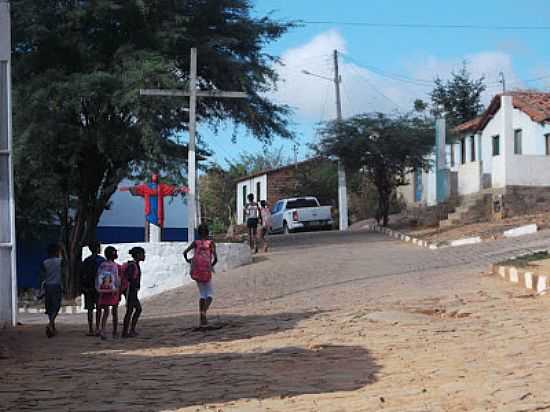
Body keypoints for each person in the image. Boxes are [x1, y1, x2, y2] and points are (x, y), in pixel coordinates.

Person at [183, 224, 218, 327]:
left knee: (202, 293)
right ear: (207, 232)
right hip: (206, 270)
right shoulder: (210, 243)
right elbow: (215, 258)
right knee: (210, 294)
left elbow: (185, 252)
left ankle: (202, 318)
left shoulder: (196, 243)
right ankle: (203, 313)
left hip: (196, 269)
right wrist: (211, 266)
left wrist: (189, 261)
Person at [80, 241, 105, 336]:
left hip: (88, 288)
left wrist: (83, 287)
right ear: (97, 248)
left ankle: (90, 329)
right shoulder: (102, 260)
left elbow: (81, 274)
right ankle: (97, 328)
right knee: (99, 308)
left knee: (90, 309)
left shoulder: (86, 260)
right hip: (99, 287)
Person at [96, 246, 120, 340]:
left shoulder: (102, 265)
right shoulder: (114, 265)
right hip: (113, 290)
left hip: (103, 290)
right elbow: (116, 278)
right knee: (115, 311)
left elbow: (98, 276)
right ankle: (115, 331)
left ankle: (103, 330)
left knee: (105, 312)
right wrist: (117, 288)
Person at [40, 243, 64, 338]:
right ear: (57, 252)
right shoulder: (60, 261)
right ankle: (50, 324)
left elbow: (42, 276)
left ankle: (52, 326)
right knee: (56, 306)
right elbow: (64, 274)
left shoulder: (45, 262)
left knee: (49, 307)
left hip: (48, 286)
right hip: (57, 285)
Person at [122, 247, 145, 338]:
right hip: (130, 291)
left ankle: (130, 330)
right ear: (138, 255)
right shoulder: (133, 265)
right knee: (132, 310)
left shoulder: (134, 264)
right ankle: (127, 331)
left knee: (133, 310)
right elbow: (129, 278)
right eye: (142, 254)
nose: (144, 256)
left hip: (132, 291)